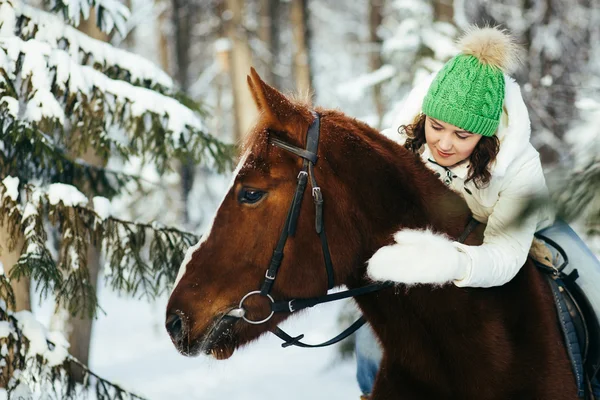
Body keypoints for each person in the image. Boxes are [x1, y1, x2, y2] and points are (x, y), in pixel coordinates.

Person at [355, 26, 600, 398]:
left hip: (525, 234)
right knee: (374, 337)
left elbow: (505, 254)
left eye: (462, 135)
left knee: (596, 292)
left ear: (484, 137)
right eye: (436, 127)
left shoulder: (520, 166)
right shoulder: (399, 144)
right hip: (436, 238)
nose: (444, 143)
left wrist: (454, 264)